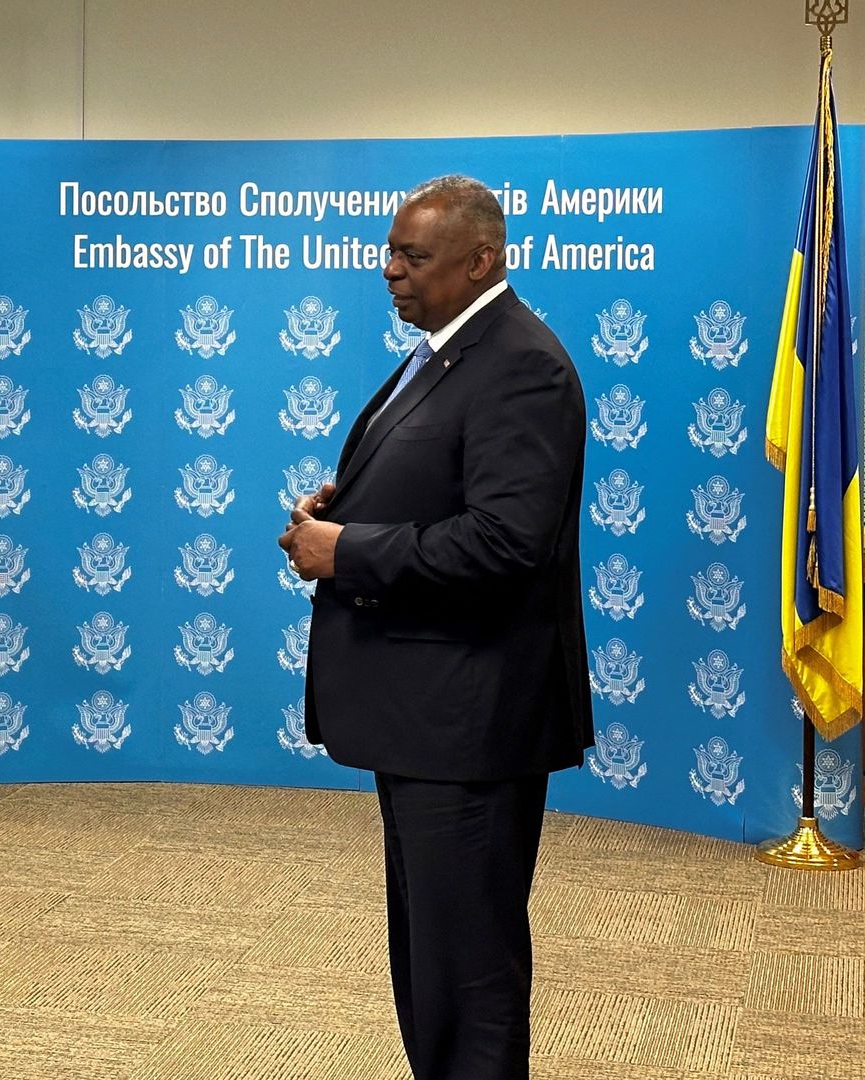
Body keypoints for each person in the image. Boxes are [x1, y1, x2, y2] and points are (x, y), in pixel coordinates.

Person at [278, 175, 591, 1080]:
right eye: (389, 251)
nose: (389, 272)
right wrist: (340, 515)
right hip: (425, 720)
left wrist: (353, 552)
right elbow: (441, 486)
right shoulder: (445, 352)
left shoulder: (521, 364)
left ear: (482, 260)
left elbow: (508, 542)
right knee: (432, 967)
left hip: (473, 724)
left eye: (413, 256)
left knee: (469, 977)